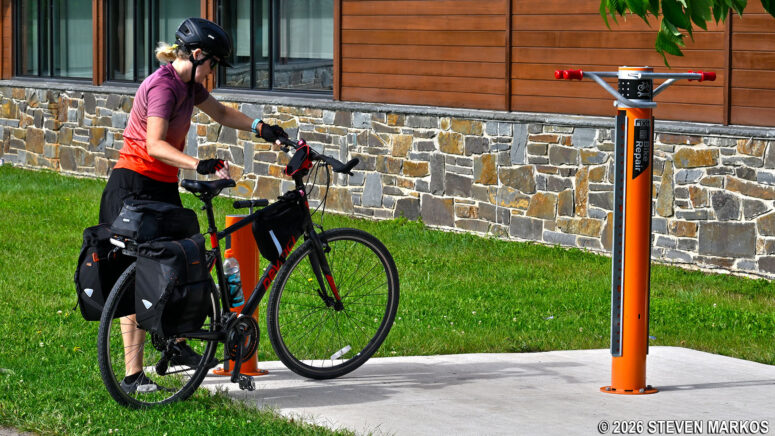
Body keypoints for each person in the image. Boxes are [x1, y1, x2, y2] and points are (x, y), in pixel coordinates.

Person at [98, 17, 287, 394]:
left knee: (182, 264)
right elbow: (154, 144)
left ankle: (178, 342)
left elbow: (221, 113)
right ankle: (133, 375)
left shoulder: (189, 85)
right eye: (213, 63)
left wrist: (261, 128)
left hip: (162, 187)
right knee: (135, 276)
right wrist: (197, 164)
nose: (213, 72)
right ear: (197, 55)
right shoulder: (164, 87)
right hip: (133, 185)